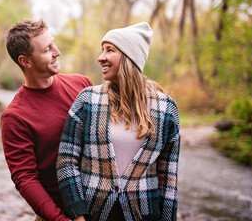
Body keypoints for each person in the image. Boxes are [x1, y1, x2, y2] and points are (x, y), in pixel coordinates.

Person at [56, 22, 180, 221]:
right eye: (101, 50)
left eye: (109, 50)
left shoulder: (166, 109)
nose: (100, 57)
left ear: (130, 57)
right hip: (91, 214)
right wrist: (77, 213)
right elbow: (66, 161)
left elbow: (169, 179)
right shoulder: (87, 99)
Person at [1, 20, 92, 221]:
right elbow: (26, 179)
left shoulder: (82, 85)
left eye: (54, 44)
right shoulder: (15, 117)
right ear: (26, 61)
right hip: (59, 214)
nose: (57, 51)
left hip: (101, 206)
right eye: (47, 49)